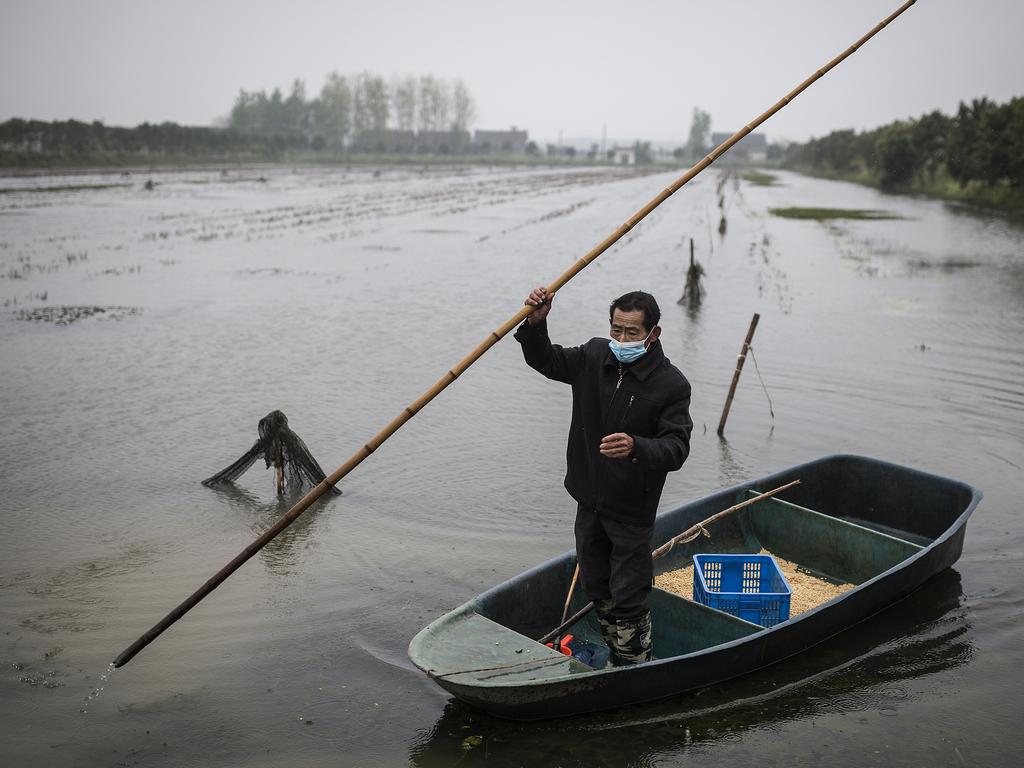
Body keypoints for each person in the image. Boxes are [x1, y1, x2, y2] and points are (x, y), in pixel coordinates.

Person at [515, 287, 692, 664]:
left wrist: (636, 447)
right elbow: (547, 360)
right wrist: (535, 323)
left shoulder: (670, 384)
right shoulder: (595, 355)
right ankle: (616, 651)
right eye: (617, 330)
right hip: (588, 498)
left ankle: (633, 661)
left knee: (628, 592)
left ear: (653, 334)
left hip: (631, 507)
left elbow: (677, 448)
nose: (622, 340)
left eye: (632, 333)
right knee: (596, 581)